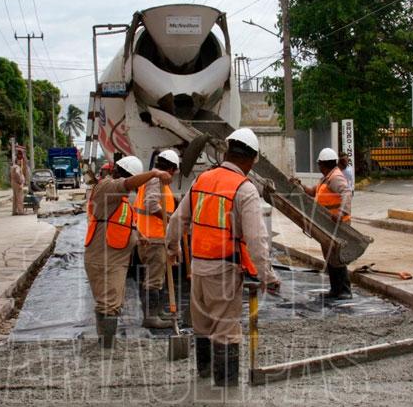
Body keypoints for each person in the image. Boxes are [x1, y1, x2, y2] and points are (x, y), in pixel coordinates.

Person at [166, 128, 280, 387]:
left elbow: (177, 221)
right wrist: (267, 277)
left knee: (203, 326)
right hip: (225, 272)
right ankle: (224, 391)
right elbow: (256, 241)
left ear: (227, 151)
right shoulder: (245, 189)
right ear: (251, 160)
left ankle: (205, 376)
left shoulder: (202, 180)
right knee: (226, 332)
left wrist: (172, 248)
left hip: (198, 269)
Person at [85, 156, 172, 349]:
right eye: (132, 181)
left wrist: (138, 235)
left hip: (113, 258)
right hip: (104, 257)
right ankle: (107, 346)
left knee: (111, 301)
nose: (132, 189)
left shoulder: (120, 200)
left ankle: (106, 342)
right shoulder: (108, 187)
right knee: (109, 303)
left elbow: (123, 221)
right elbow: (127, 183)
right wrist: (154, 173)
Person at [291, 148, 353, 299]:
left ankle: (344, 290)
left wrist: (341, 212)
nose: (319, 167)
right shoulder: (326, 178)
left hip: (338, 225)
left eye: (319, 164)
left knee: (337, 258)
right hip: (328, 225)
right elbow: (313, 192)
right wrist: (301, 186)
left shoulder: (335, 178)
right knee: (331, 258)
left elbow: (347, 192)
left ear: (323, 164)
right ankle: (336, 290)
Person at [132, 149, 180, 329]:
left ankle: (157, 312)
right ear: (171, 168)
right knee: (153, 279)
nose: (174, 175)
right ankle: (151, 317)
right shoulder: (154, 180)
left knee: (156, 277)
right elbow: (151, 205)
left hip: (152, 237)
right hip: (153, 239)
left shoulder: (153, 180)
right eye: (174, 171)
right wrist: (170, 220)